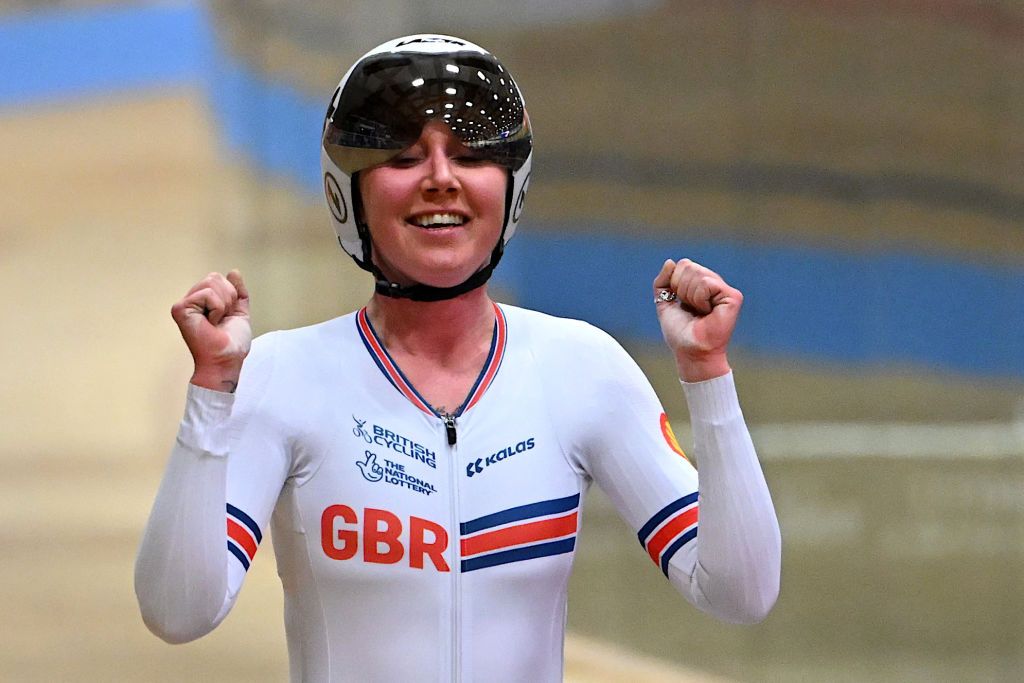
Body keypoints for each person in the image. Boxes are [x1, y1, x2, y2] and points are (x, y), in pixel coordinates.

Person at [135, 34, 781, 682]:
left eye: (470, 155)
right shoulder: (282, 375)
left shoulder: (583, 370)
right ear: (348, 193)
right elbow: (177, 611)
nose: (440, 179)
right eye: (406, 156)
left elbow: (740, 591)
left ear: (512, 187)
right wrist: (212, 392)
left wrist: (708, 376)